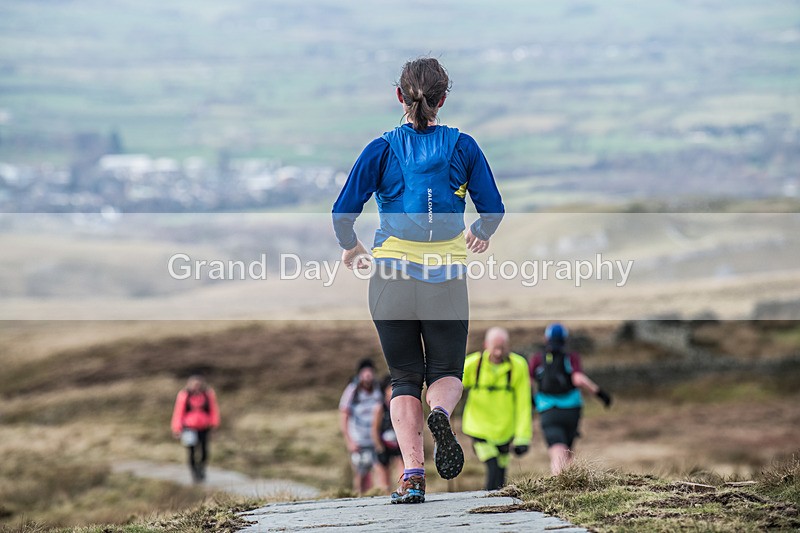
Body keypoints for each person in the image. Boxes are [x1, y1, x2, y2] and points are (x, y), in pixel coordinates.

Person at [332, 57, 504, 503]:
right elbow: (494, 209)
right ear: (443, 99)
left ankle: (411, 475)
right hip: (445, 275)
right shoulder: (464, 147)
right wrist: (480, 233)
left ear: (399, 97)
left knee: (404, 378)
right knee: (446, 371)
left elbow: (342, 212)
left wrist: (351, 245)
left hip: (389, 275)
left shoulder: (381, 148)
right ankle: (441, 413)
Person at [529, 323, 612, 475]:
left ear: (546, 338)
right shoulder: (571, 357)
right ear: (565, 339)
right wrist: (601, 394)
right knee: (567, 453)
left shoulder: (537, 358)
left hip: (549, 410)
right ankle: (570, 486)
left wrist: (531, 401)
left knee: (557, 454)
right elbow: (578, 379)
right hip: (572, 411)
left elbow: (528, 381)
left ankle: (558, 489)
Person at [461, 327, 532, 490]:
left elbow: (523, 403)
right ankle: (487, 506)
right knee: (492, 467)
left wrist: (523, 437)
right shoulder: (473, 364)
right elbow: (451, 388)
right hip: (478, 428)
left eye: (503, 348)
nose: (499, 353)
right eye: (495, 348)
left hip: (505, 431)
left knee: (501, 474)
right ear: (486, 345)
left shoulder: (518, 366)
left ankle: (499, 509)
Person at [339, 358, 384, 494]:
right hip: (358, 439)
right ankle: (358, 497)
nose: (368, 376)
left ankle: (378, 495)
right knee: (360, 472)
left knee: (379, 469)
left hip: (376, 439)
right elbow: (343, 415)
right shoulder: (352, 390)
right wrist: (349, 441)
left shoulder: (378, 389)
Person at [171, 375, 220, 483]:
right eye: (194, 384)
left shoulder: (208, 394)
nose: (196, 386)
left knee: (204, 451)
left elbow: (213, 410)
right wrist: (176, 429)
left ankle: (202, 468)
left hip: (204, 427)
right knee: (191, 452)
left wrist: (214, 426)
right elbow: (178, 412)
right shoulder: (184, 395)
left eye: (198, 384)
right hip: (189, 429)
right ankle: (194, 473)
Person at [371, 375, 404, 493]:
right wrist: (379, 448)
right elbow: (374, 429)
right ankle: (385, 496)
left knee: (403, 473)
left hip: (399, 444)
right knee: (384, 479)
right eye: (390, 389)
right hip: (384, 445)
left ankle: (404, 490)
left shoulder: (401, 406)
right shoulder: (379, 408)